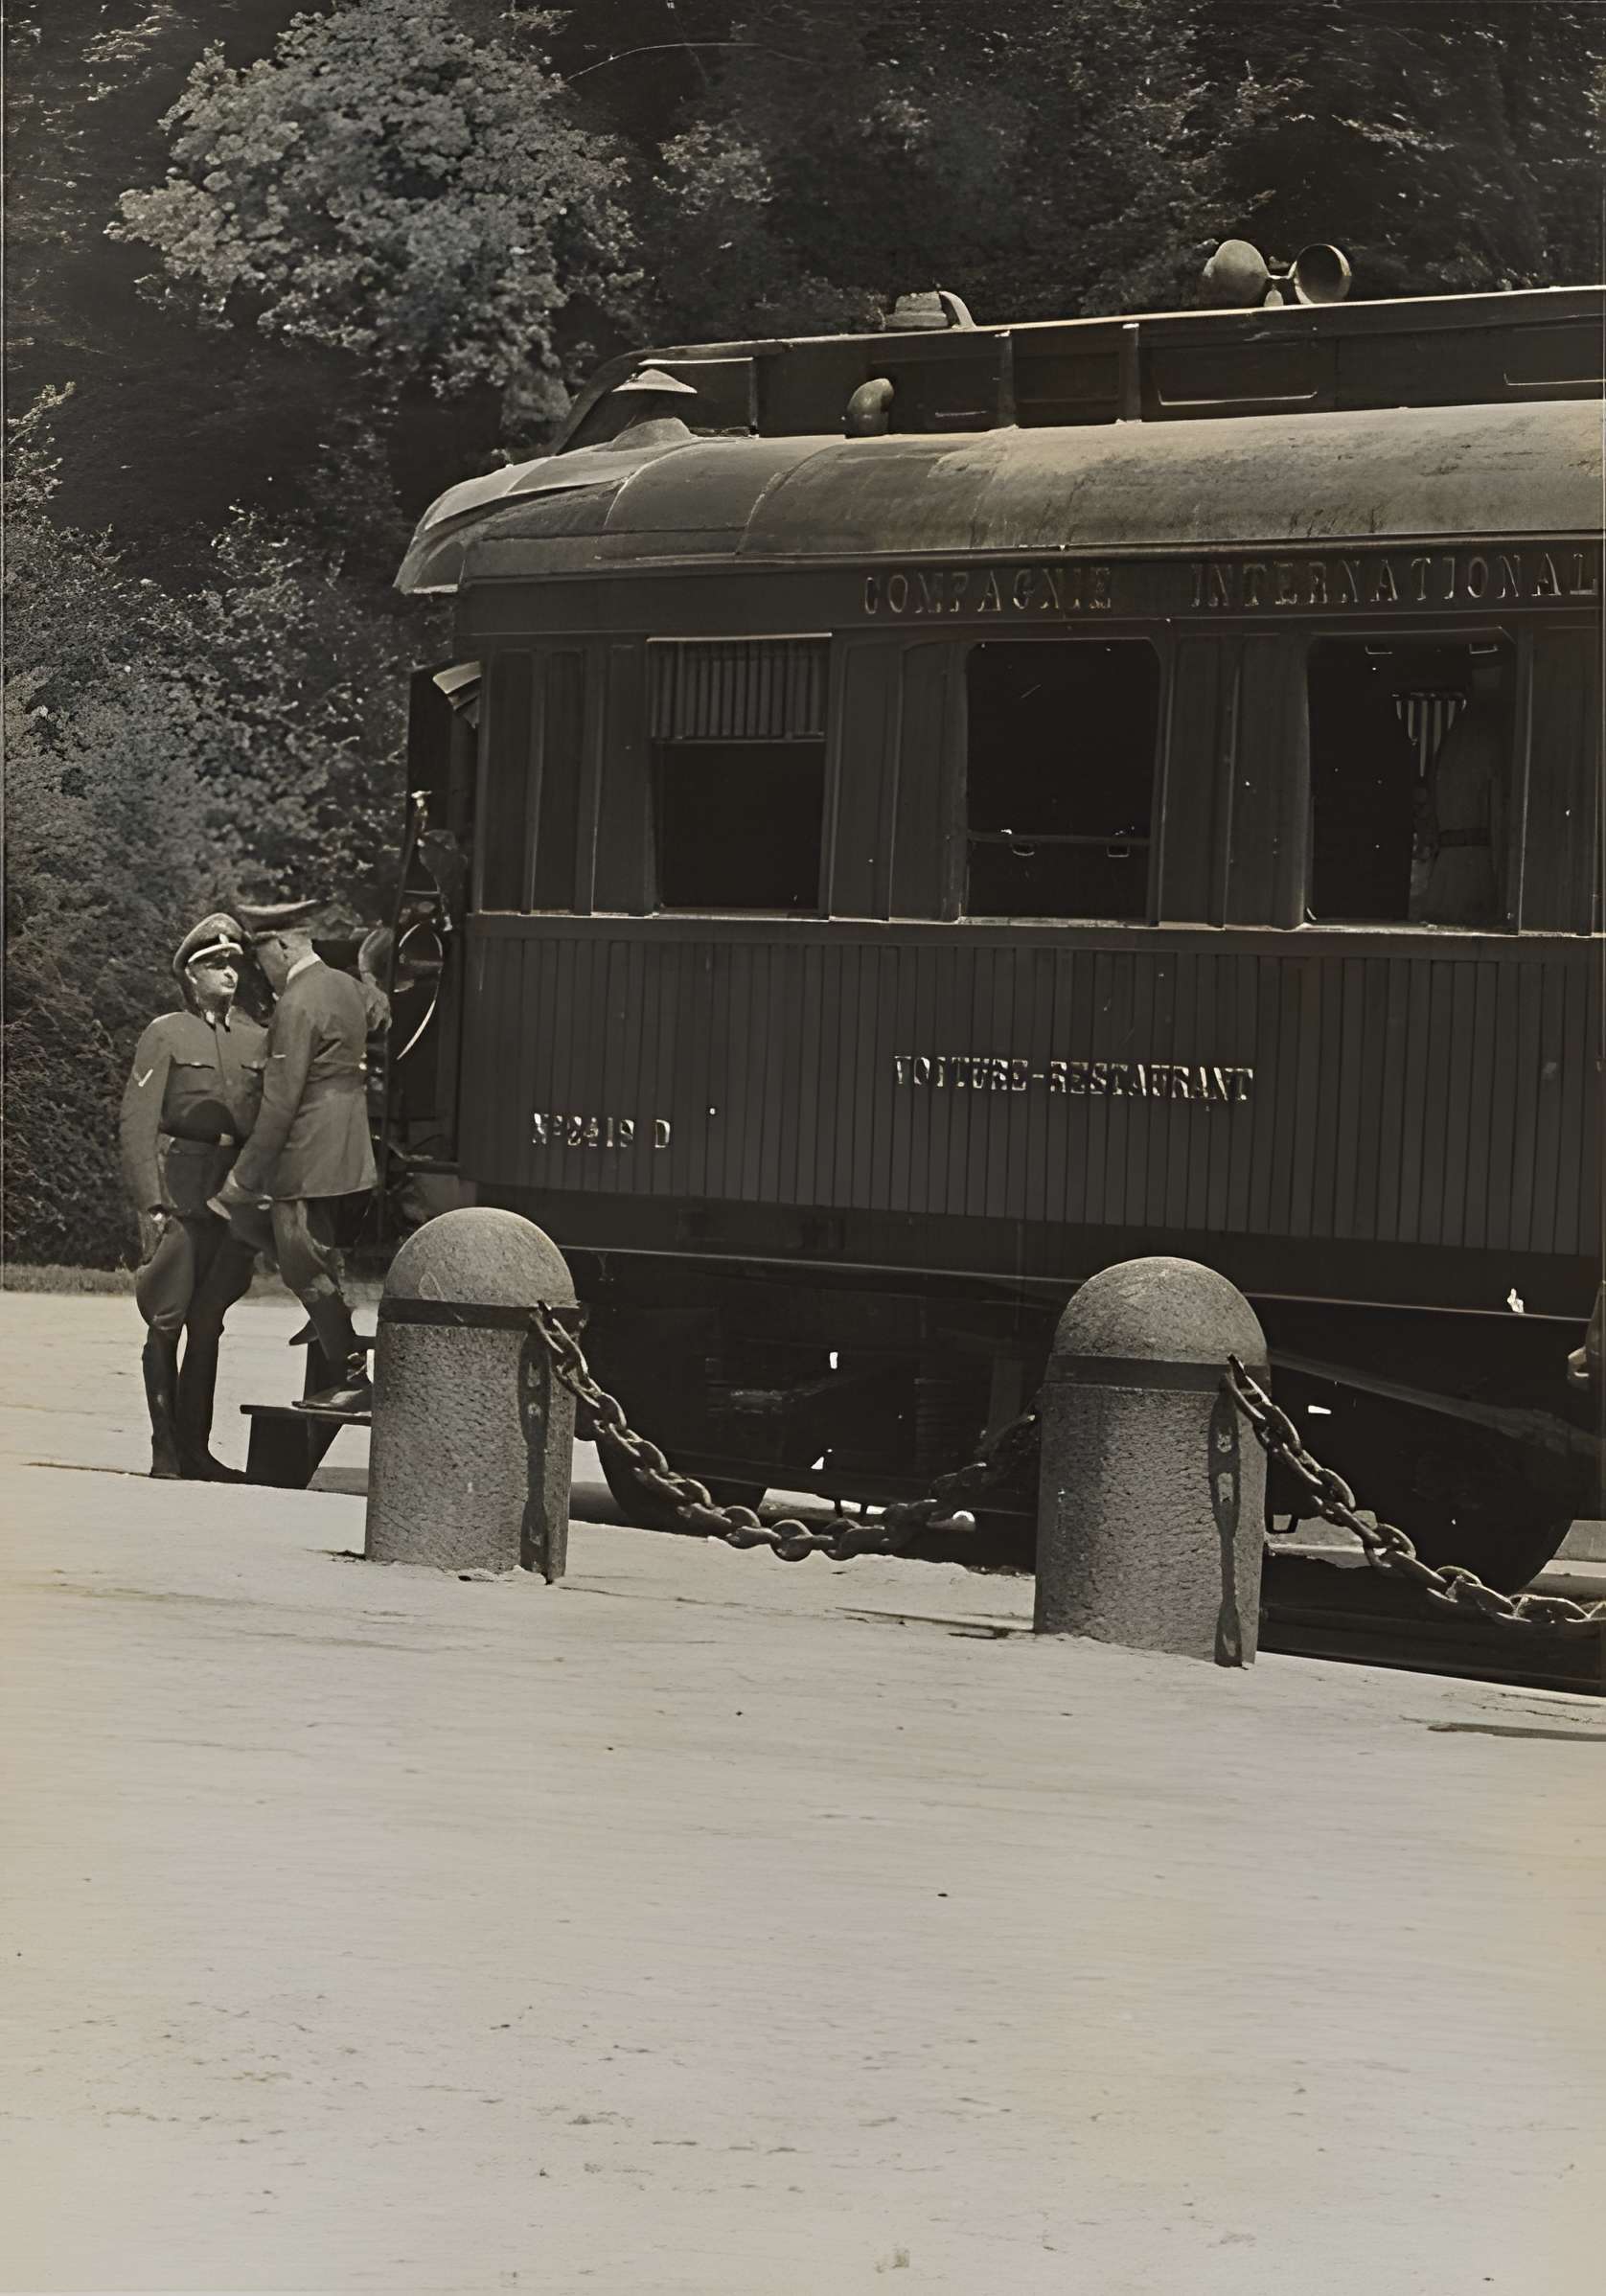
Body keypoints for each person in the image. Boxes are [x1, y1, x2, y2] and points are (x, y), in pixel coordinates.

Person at [209, 900, 381, 1415]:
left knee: (299, 1261)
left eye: (262, 957)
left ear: (284, 946)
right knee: (305, 1251)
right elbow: (381, 1012)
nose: (260, 971)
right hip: (349, 1143)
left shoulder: (297, 1003)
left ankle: (353, 1376)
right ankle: (330, 1314)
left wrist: (244, 1177)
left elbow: (281, 1104)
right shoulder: (346, 986)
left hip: (309, 1151)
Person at [119, 913, 266, 1480]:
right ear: (190, 975)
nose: (229, 973)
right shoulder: (167, 1033)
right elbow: (137, 1122)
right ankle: (166, 1449)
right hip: (180, 1191)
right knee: (167, 1317)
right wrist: (150, 1201)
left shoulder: (255, 1037)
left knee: (209, 1322)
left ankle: (197, 1450)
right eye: (216, 964)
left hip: (231, 1194)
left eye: (234, 963)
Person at [1411, 662, 1506, 929]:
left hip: (1447, 864)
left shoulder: (1454, 733)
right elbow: (1498, 807)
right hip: (1477, 865)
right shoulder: (1492, 732)